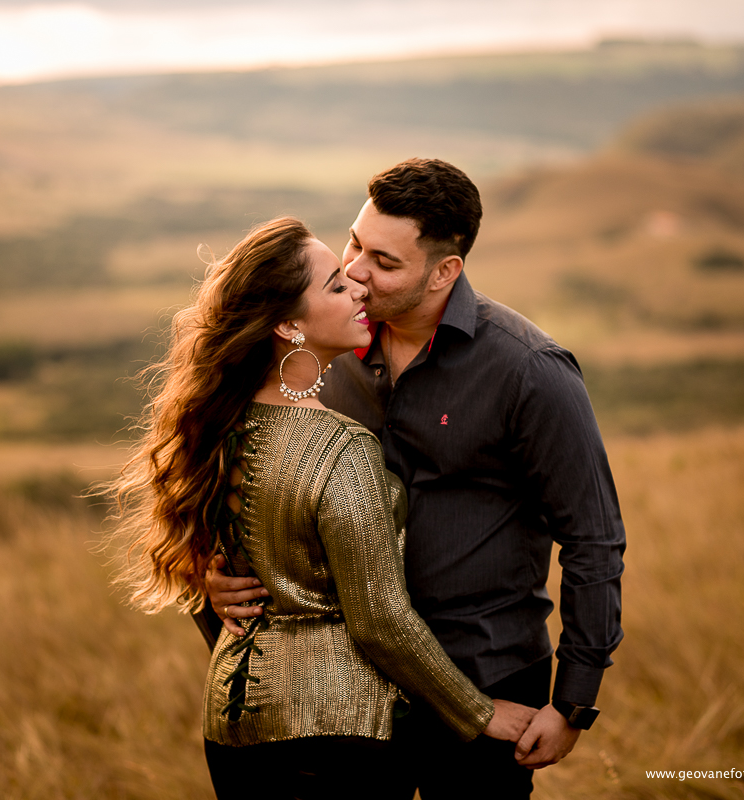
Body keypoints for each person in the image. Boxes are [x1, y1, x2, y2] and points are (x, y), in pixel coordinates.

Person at [205, 159, 626, 799]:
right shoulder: (326, 355)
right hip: (350, 693)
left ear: (444, 272)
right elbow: (247, 482)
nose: (354, 271)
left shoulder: (529, 371)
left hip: (486, 679)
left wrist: (573, 702)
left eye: (384, 261)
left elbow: (593, 540)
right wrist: (212, 576)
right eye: (354, 243)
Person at [107, 216, 537, 799]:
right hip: (338, 733)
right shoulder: (342, 449)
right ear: (287, 324)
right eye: (337, 285)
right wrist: (480, 714)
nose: (359, 287)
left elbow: (208, 555)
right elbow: (379, 619)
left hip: (231, 727)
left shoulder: (218, 430)